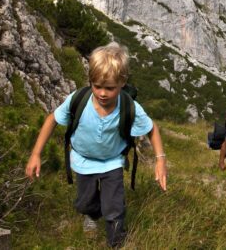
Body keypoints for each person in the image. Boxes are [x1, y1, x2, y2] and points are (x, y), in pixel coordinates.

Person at [25, 42, 167, 248]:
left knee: (114, 207)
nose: (102, 93)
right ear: (90, 81)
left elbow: (152, 129)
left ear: (122, 82)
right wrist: (35, 154)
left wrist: (160, 160)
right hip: (83, 161)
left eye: (109, 88)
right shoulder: (78, 99)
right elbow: (51, 120)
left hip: (112, 162)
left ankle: (117, 243)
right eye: (97, 86)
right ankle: (91, 214)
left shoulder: (129, 106)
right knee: (85, 202)